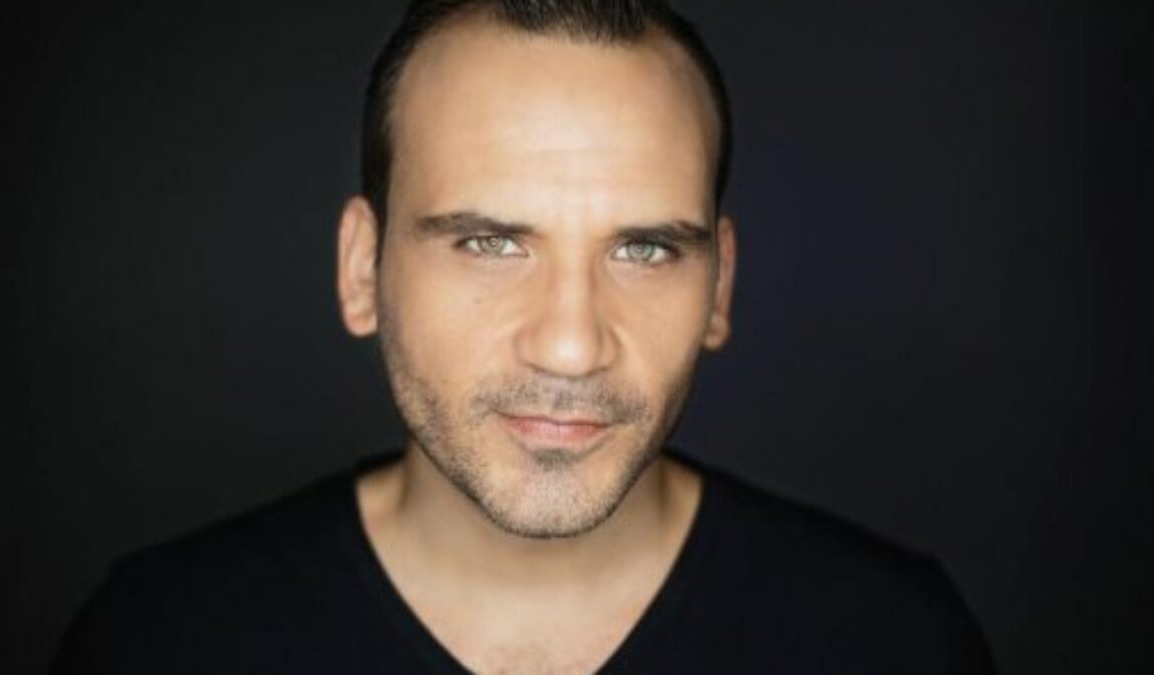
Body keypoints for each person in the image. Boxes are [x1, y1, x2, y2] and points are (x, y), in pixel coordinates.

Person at [53, 1, 996, 672]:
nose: (571, 346)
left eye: (643, 249)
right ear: (360, 269)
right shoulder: (158, 640)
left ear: (720, 286)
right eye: (490, 243)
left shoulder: (891, 641)